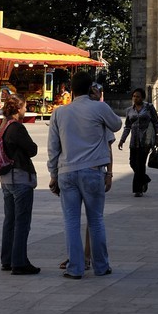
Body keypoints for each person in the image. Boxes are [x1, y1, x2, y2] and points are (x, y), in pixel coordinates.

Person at [47, 70, 122, 279]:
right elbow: (117, 124)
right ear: (91, 88)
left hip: (67, 171)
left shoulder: (59, 113)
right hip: (92, 170)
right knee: (96, 219)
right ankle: (101, 266)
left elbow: (53, 148)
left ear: (71, 89)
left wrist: (53, 174)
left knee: (71, 221)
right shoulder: (99, 108)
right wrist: (98, 102)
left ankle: (75, 268)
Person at [0, 95, 40, 274]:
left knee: (10, 220)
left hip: (6, 179)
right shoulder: (16, 127)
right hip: (20, 178)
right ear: (17, 108)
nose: (25, 110)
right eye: (23, 107)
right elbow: (32, 149)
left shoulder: (2, 125)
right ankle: (19, 262)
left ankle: (7, 259)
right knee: (22, 222)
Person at [118, 88, 158, 196]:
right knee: (132, 162)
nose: (135, 98)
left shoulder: (149, 108)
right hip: (134, 140)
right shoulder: (129, 110)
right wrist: (122, 140)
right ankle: (145, 179)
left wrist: (157, 136)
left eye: (137, 96)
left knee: (140, 164)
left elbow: (156, 123)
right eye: (134, 96)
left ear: (142, 98)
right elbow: (127, 126)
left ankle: (138, 190)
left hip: (146, 140)